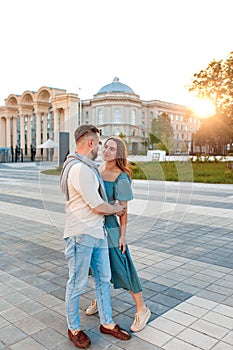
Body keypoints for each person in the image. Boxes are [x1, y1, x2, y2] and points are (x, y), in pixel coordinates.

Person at [60, 125, 131, 349]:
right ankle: (74, 328)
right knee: (77, 283)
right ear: (90, 143)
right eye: (99, 143)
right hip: (81, 235)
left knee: (103, 279)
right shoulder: (80, 169)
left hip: (96, 233)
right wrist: (118, 209)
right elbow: (97, 206)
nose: (100, 147)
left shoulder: (87, 167)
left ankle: (107, 323)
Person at [85, 136, 151, 332]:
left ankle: (142, 309)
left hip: (111, 228)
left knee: (122, 265)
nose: (106, 151)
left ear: (119, 153)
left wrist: (122, 236)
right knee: (97, 265)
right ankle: (100, 299)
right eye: (105, 147)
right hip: (94, 225)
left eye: (112, 149)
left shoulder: (121, 177)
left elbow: (123, 209)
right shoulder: (97, 169)